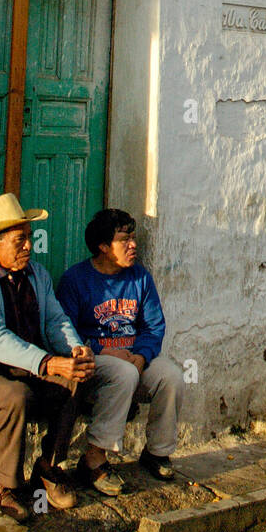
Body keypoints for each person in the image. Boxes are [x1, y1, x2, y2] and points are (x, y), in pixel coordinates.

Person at [0, 193, 95, 523]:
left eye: (29, 238)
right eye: (20, 240)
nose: (28, 246)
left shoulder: (37, 276)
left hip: (32, 367)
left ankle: (48, 466)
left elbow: (56, 320)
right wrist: (47, 362)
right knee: (14, 396)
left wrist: (74, 349)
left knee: (78, 375)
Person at [56, 208, 185, 496]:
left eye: (133, 237)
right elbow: (65, 332)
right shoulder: (75, 280)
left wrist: (141, 356)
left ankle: (157, 452)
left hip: (133, 359)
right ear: (103, 246)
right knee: (123, 372)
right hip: (95, 362)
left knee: (172, 376)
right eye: (124, 239)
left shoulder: (140, 278)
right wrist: (103, 350)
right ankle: (94, 459)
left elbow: (154, 327)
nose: (133, 245)